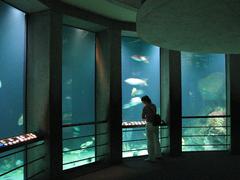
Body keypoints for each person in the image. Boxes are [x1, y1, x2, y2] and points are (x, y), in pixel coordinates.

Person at [141, 95, 161, 162]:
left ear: (144, 101)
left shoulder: (145, 107)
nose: (142, 103)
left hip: (149, 124)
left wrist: (147, 117)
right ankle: (158, 155)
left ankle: (151, 157)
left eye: (143, 102)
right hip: (156, 124)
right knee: (156, 139)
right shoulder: (154, 105)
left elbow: (143, 117)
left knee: (150, 141)